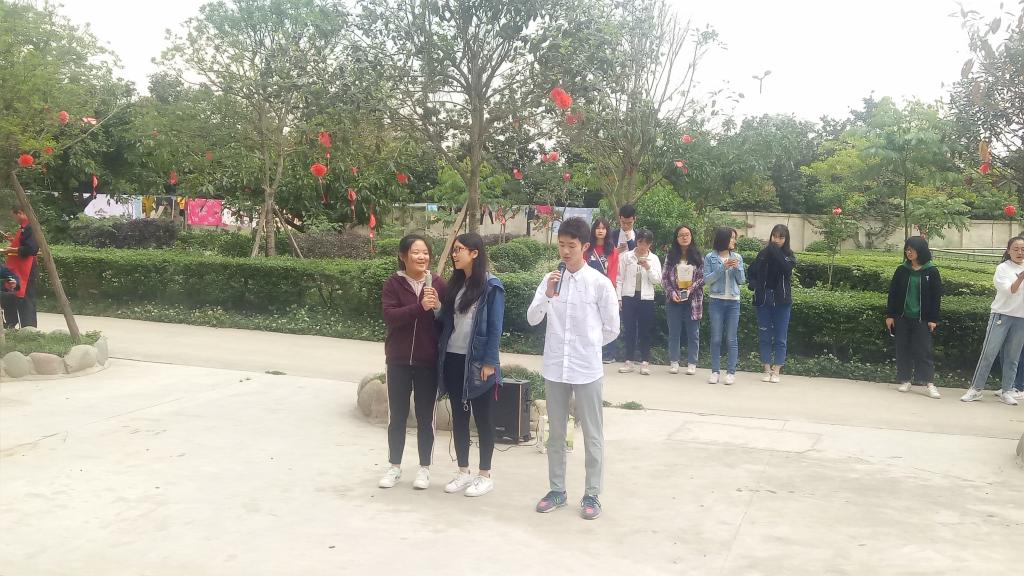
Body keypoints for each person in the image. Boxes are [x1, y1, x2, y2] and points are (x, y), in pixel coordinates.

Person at [528, 217, 619, 520]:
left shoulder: (599, 283)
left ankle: (592, 494)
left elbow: (612, 328)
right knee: (556, 432)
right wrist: (548, 294)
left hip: (586, 368)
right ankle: (557, 490)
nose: (565, 252)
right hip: (555, 367)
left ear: (585, 247)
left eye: (571, 246)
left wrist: (588, 345)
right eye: (561, 245)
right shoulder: (550, 279)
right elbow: (532, 318)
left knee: (592, 433)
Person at [436, 233, 505, 497]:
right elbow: (447, 321)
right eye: (454, 250)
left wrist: (490, 362)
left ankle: (484, 475)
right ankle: (463, 471)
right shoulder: (456, 285)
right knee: (459, 417)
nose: (455, 254)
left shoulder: (491, 286)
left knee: (484, 419)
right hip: (453, 358)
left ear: (474, 253)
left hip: (478, 362)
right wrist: (435, 308)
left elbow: (495, 327)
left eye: (459, 249)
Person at [379, 234, 448, 489]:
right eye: (416, 252)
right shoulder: (393, 283)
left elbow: (448, 321)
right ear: (403, 256)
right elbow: (391, 316)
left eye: (425, 253)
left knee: (425, 418)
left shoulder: (438, 283)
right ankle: (394, 467)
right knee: (397, 416)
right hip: (397, 360)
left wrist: (438, 307)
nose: (422, 257)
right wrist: (421, 307)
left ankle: (424, 469)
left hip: (427, 362)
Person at [961, 236, 1024, 406]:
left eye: (1023, 249)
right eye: (1016, 249)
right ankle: (976, 389)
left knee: (1013, 357)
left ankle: (1007, 391)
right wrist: (1020, 278)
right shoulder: (1003, 268)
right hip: (1001, 316)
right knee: (989, 353)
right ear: (1008, 250)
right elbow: (1010, 291)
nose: (1020, 252)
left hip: (1021, 319)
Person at [885, 237, 942, 399]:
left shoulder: (931, 271)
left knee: (923, 350)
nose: (908, 252)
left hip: (922, 319)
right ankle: (905, 380)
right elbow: (893, 294)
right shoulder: (902, 270)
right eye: (907, 249)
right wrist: (890, 315)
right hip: (902, 317)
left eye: (912, 249)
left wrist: (933, 319)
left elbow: (936, 297)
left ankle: (929, 383)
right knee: (902, 348)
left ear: (921, 251)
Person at [748, 225, 797, 383]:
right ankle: (767, 368)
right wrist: (754, 284)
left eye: (781, 237)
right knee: (765, 335)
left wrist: (773, 250)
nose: (777, 240)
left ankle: (777, 370)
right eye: (774, 236)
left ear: (786, 239)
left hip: (782, 300)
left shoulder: (789, 255)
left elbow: (786, 268)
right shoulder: (763, 254)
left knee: (780, 337)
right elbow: (751, 271)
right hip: (764, 299)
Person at [616, 229, 661, 375]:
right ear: (637, 241)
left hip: (646, 298)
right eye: (640, 242)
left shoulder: (654, 259)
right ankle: (628, 360)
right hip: (629, 296)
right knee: (629, 329)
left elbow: (657, 280)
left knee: (645, 331)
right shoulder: (626, 256)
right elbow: (619, 278)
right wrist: (619, 298)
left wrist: (648, 267)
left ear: (650, 244)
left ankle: (645, 361)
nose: (643, 246)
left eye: (646, 243)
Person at [704, 228, 745, 385]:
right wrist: (723, 267)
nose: (734, 241)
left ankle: (730, 372)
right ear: (723, 239)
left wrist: (736, 268)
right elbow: (707, 280)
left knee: (731, 338)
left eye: (735, 238)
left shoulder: (737, 257)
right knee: (716, 338)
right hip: (716, 301)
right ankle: (715, 371)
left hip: (733, 302)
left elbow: (741, 280)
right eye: (732, 238)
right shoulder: (710, 257)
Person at [662, 225, 704, 375]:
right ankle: (674, 362)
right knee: (674, 332)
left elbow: (702, 277)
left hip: (693, 300)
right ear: (677, 238)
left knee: (693, 333)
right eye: (681, 235)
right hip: (674, 299)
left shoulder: (698, 256)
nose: (685, 237)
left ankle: (692, 363)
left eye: (687, 234)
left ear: (691, 237)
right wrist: (672, 292)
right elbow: (664, 278)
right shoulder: (670, 257)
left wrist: (691, 289)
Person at [586, 218, 620, 364]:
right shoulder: (587, 248)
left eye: (603, 228)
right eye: (598, 228)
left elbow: (613, 271)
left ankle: (609, 354)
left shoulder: (612, 250)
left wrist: (609, 289)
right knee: (590, 320)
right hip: (588, 290)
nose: (600, 231)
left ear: (607, 231)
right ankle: (590, 350)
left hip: (605, 291)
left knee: (607, 320)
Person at [2, 207, 39, 330]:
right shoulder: (23, 227)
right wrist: (13, 240)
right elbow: (23, 243)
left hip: (26, 269)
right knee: (13, 295)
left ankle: (29, 328)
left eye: (14, 216)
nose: (14, 219)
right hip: (17, 268)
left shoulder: (30, 227)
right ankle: (12, 324)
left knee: (26, 298)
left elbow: (31, 249)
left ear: (20, 213)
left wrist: (12, 249)